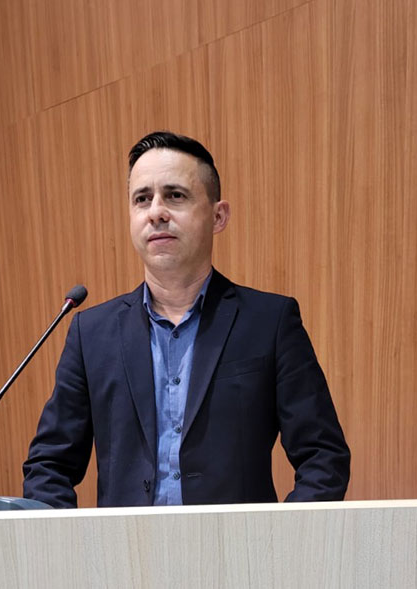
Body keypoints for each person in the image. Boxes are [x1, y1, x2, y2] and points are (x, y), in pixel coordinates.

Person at [23, 131, 350, 507]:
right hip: (127, 545)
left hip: (237, 543)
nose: (156, 212)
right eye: (142, 199)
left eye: (175, 196)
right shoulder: (91, 333)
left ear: (218, 216)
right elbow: (49, 466)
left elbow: (323, 457)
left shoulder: (269, 323)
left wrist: (279, 538)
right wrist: (72, 538)